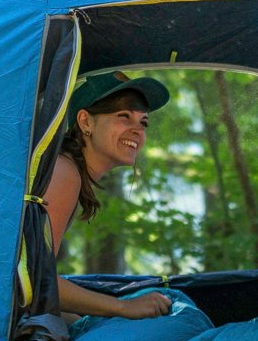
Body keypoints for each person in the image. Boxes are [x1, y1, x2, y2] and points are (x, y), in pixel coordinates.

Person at [44, 71, 174, 320]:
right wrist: (123, 307)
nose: (137, 130)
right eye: (123, 116)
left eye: (143, 123)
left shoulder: (68, 171)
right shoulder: (64, 172)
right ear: (85, 122)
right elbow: (33, 278)